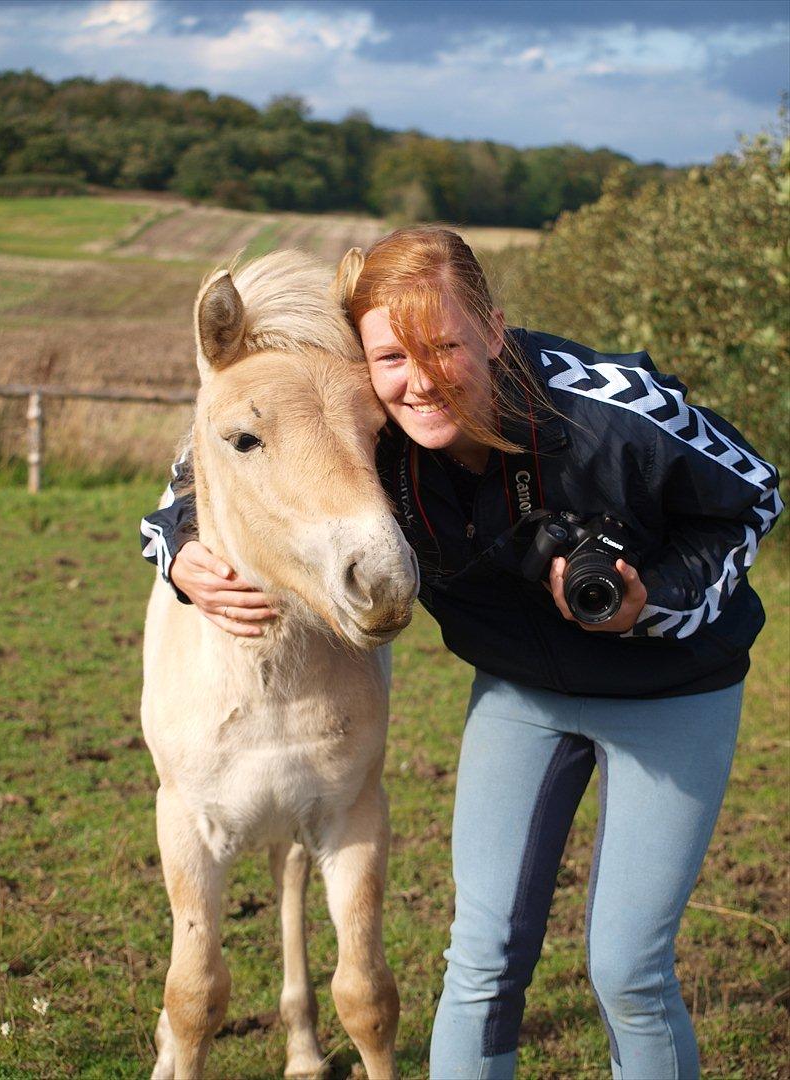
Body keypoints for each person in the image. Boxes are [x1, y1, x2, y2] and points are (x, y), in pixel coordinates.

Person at [139, 227, 782, 1079]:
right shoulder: (379, 418)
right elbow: (221, 456)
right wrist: (174, 545)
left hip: (672, 692)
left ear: (493, 330)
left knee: (627, 969)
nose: (419, 378)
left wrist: (653, 598)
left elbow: (754, 493)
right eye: (391, 356)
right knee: (478, 961)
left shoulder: (610, 410)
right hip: (522, 693)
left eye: (444, 345)